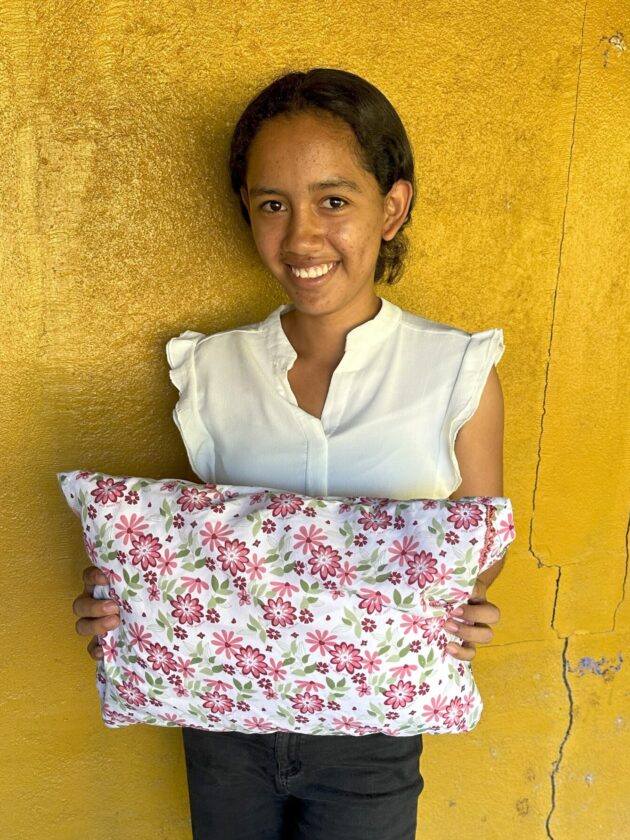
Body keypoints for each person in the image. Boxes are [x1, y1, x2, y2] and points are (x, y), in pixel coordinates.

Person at [72, 68, 506, 840]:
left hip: (373, 738)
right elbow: (197, 552)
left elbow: (481, 540)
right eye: (273, 204)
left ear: (392, 208)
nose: (302, 237)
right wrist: (122, 596)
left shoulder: (455, 371)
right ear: (248, 208)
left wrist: (464, 601)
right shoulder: (210, 371)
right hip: (222, 728)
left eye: (333, 201)